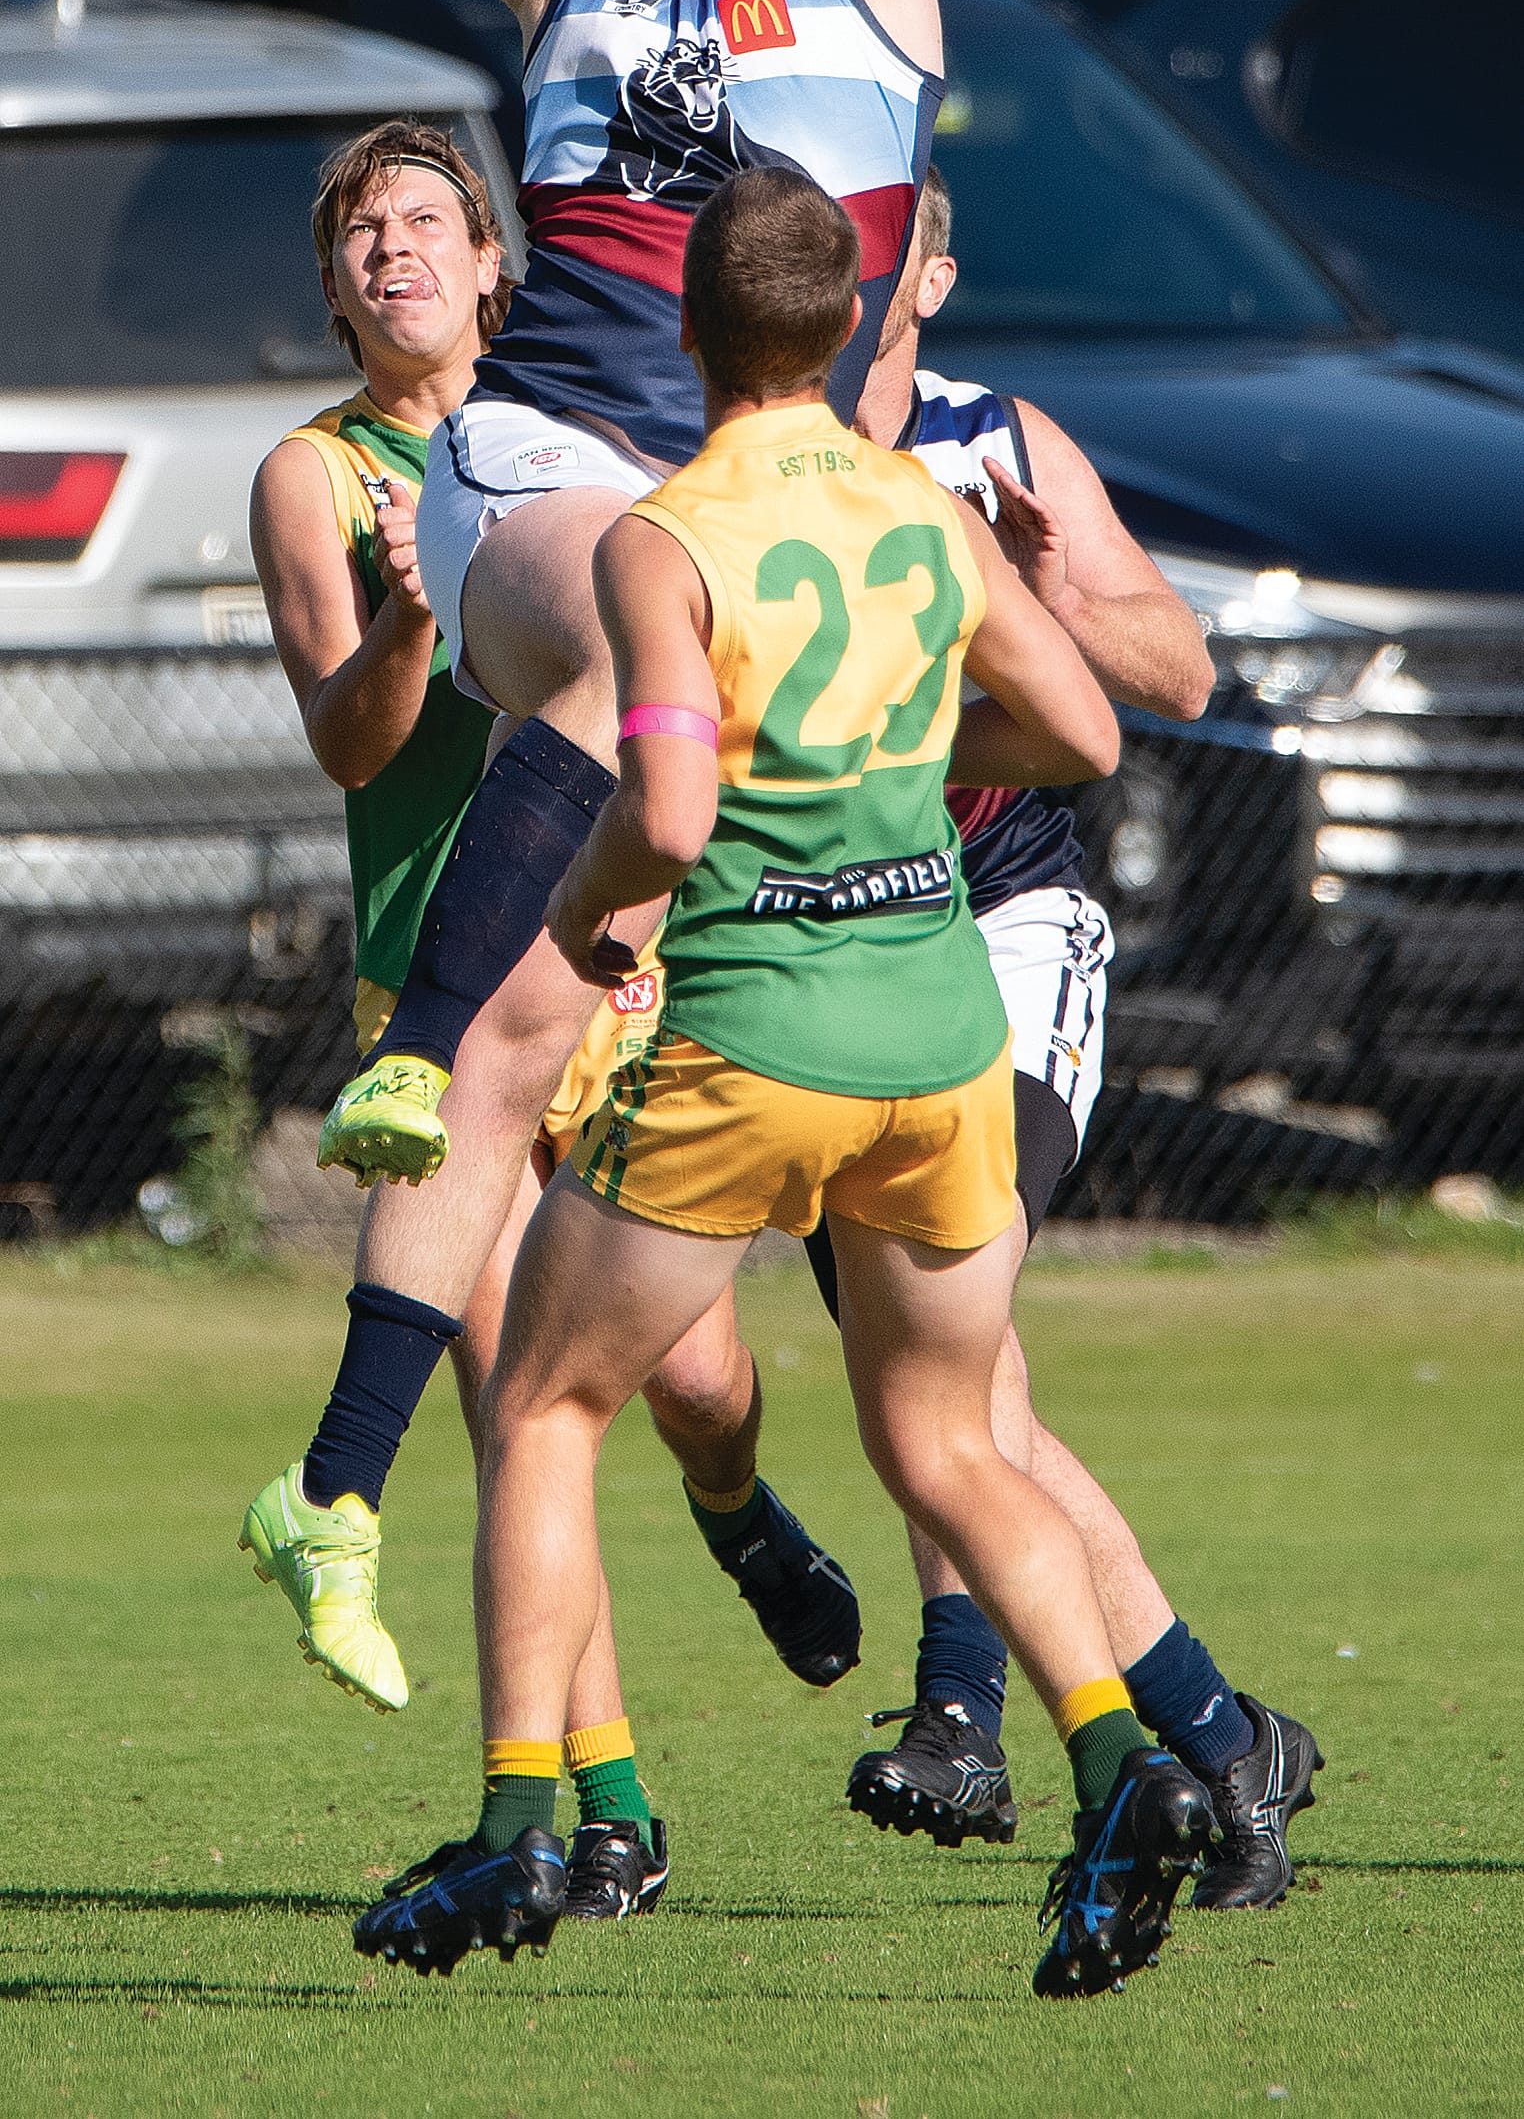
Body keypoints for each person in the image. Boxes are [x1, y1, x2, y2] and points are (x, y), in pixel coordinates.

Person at [244, 0, 946, 1664]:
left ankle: (335, 1485)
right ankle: (413, 1047)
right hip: (545, 475)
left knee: (576, 1056)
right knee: (611, 640)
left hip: (768, 535)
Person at [354, 169, 1219, 2001]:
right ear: (848, 325)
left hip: (759, 1034)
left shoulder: (661, 535)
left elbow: (667, 811)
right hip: (939, 1040)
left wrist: (588, 916)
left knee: (552, 1399)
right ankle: (1126, 1767)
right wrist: (898, 766)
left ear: (679, 329)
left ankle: (524, 1820)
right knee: (955, 1438)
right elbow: (1083, 726)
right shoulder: (923, 498)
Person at [239, 118, 855, 1922]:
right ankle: (606, 1805)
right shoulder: (320, 475)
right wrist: (409, 635)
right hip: (447, 987)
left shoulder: (569, 455)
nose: (394, 249)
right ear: (337, 281)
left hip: (620, 973)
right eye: (360, 229)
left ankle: (739, 1509)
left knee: (695, 1378)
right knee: (531, 1401)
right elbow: (347, 743)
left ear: (497, 264)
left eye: (428, 219)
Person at [830, 167, 1323, 1906]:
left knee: (944, 1336)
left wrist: (1059, 600)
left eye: (886, 226)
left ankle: (974, 1704)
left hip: (1002, 925)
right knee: (935, 1380)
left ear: (932, 270)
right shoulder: (746, 444)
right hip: (836, 953)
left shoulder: (994, 443)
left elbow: (1178, 675)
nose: (854, 250)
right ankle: (1218, 1732)